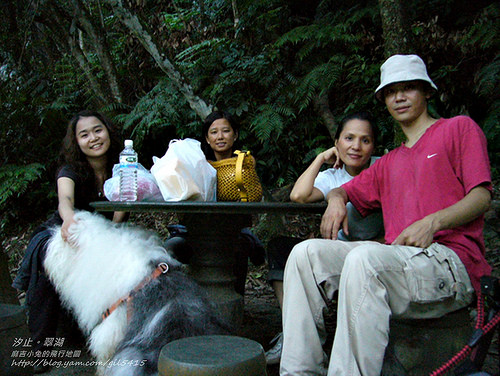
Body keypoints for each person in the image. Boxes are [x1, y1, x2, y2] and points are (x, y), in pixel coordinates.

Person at [280, 54, 492, 376]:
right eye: (391, 92)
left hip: (451, 262)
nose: (400, 97)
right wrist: (337, 198)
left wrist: (433, 221)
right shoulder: (389, 162)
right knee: (304, 254)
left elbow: (481, 196)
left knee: (364, 258)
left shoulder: (458, 129)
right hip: (401, 262)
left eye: (409, 88)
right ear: (384, 99)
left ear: (427, 92)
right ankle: (299, 372)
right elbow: (344, 190)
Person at [12, 110, 128, 374]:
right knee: (52, 260)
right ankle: (41, 350)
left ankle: (113, 341)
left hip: (104, 237)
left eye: (98, 130)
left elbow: (124, 209)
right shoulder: (70, 169)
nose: (93, 138)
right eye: (84, 135)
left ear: (108, 131)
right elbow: (65, 200)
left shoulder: (123, 167)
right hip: (62, 232)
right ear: (76, 142)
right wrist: (68, 220)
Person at [265, 112, 384, 364]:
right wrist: (320, 158)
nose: (356, 146)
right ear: (337, 142)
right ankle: (292, 331)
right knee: (279, 248)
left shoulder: (382, 167)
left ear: (374, 145)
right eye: (349, 138)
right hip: (338, 253)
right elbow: (299, 195)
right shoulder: (333, 175)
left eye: (365, 140)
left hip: (375, 253)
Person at [165, 111, 265, 295]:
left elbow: (251, 196)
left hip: (234, 230)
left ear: (235, 135)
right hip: (197, 231)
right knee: (170, 248)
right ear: (207, 138)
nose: (220, 137)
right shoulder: (196, 165)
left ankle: (236, 301)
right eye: (213, 132)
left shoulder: (245, 163)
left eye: (226, 131)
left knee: (239, 245)